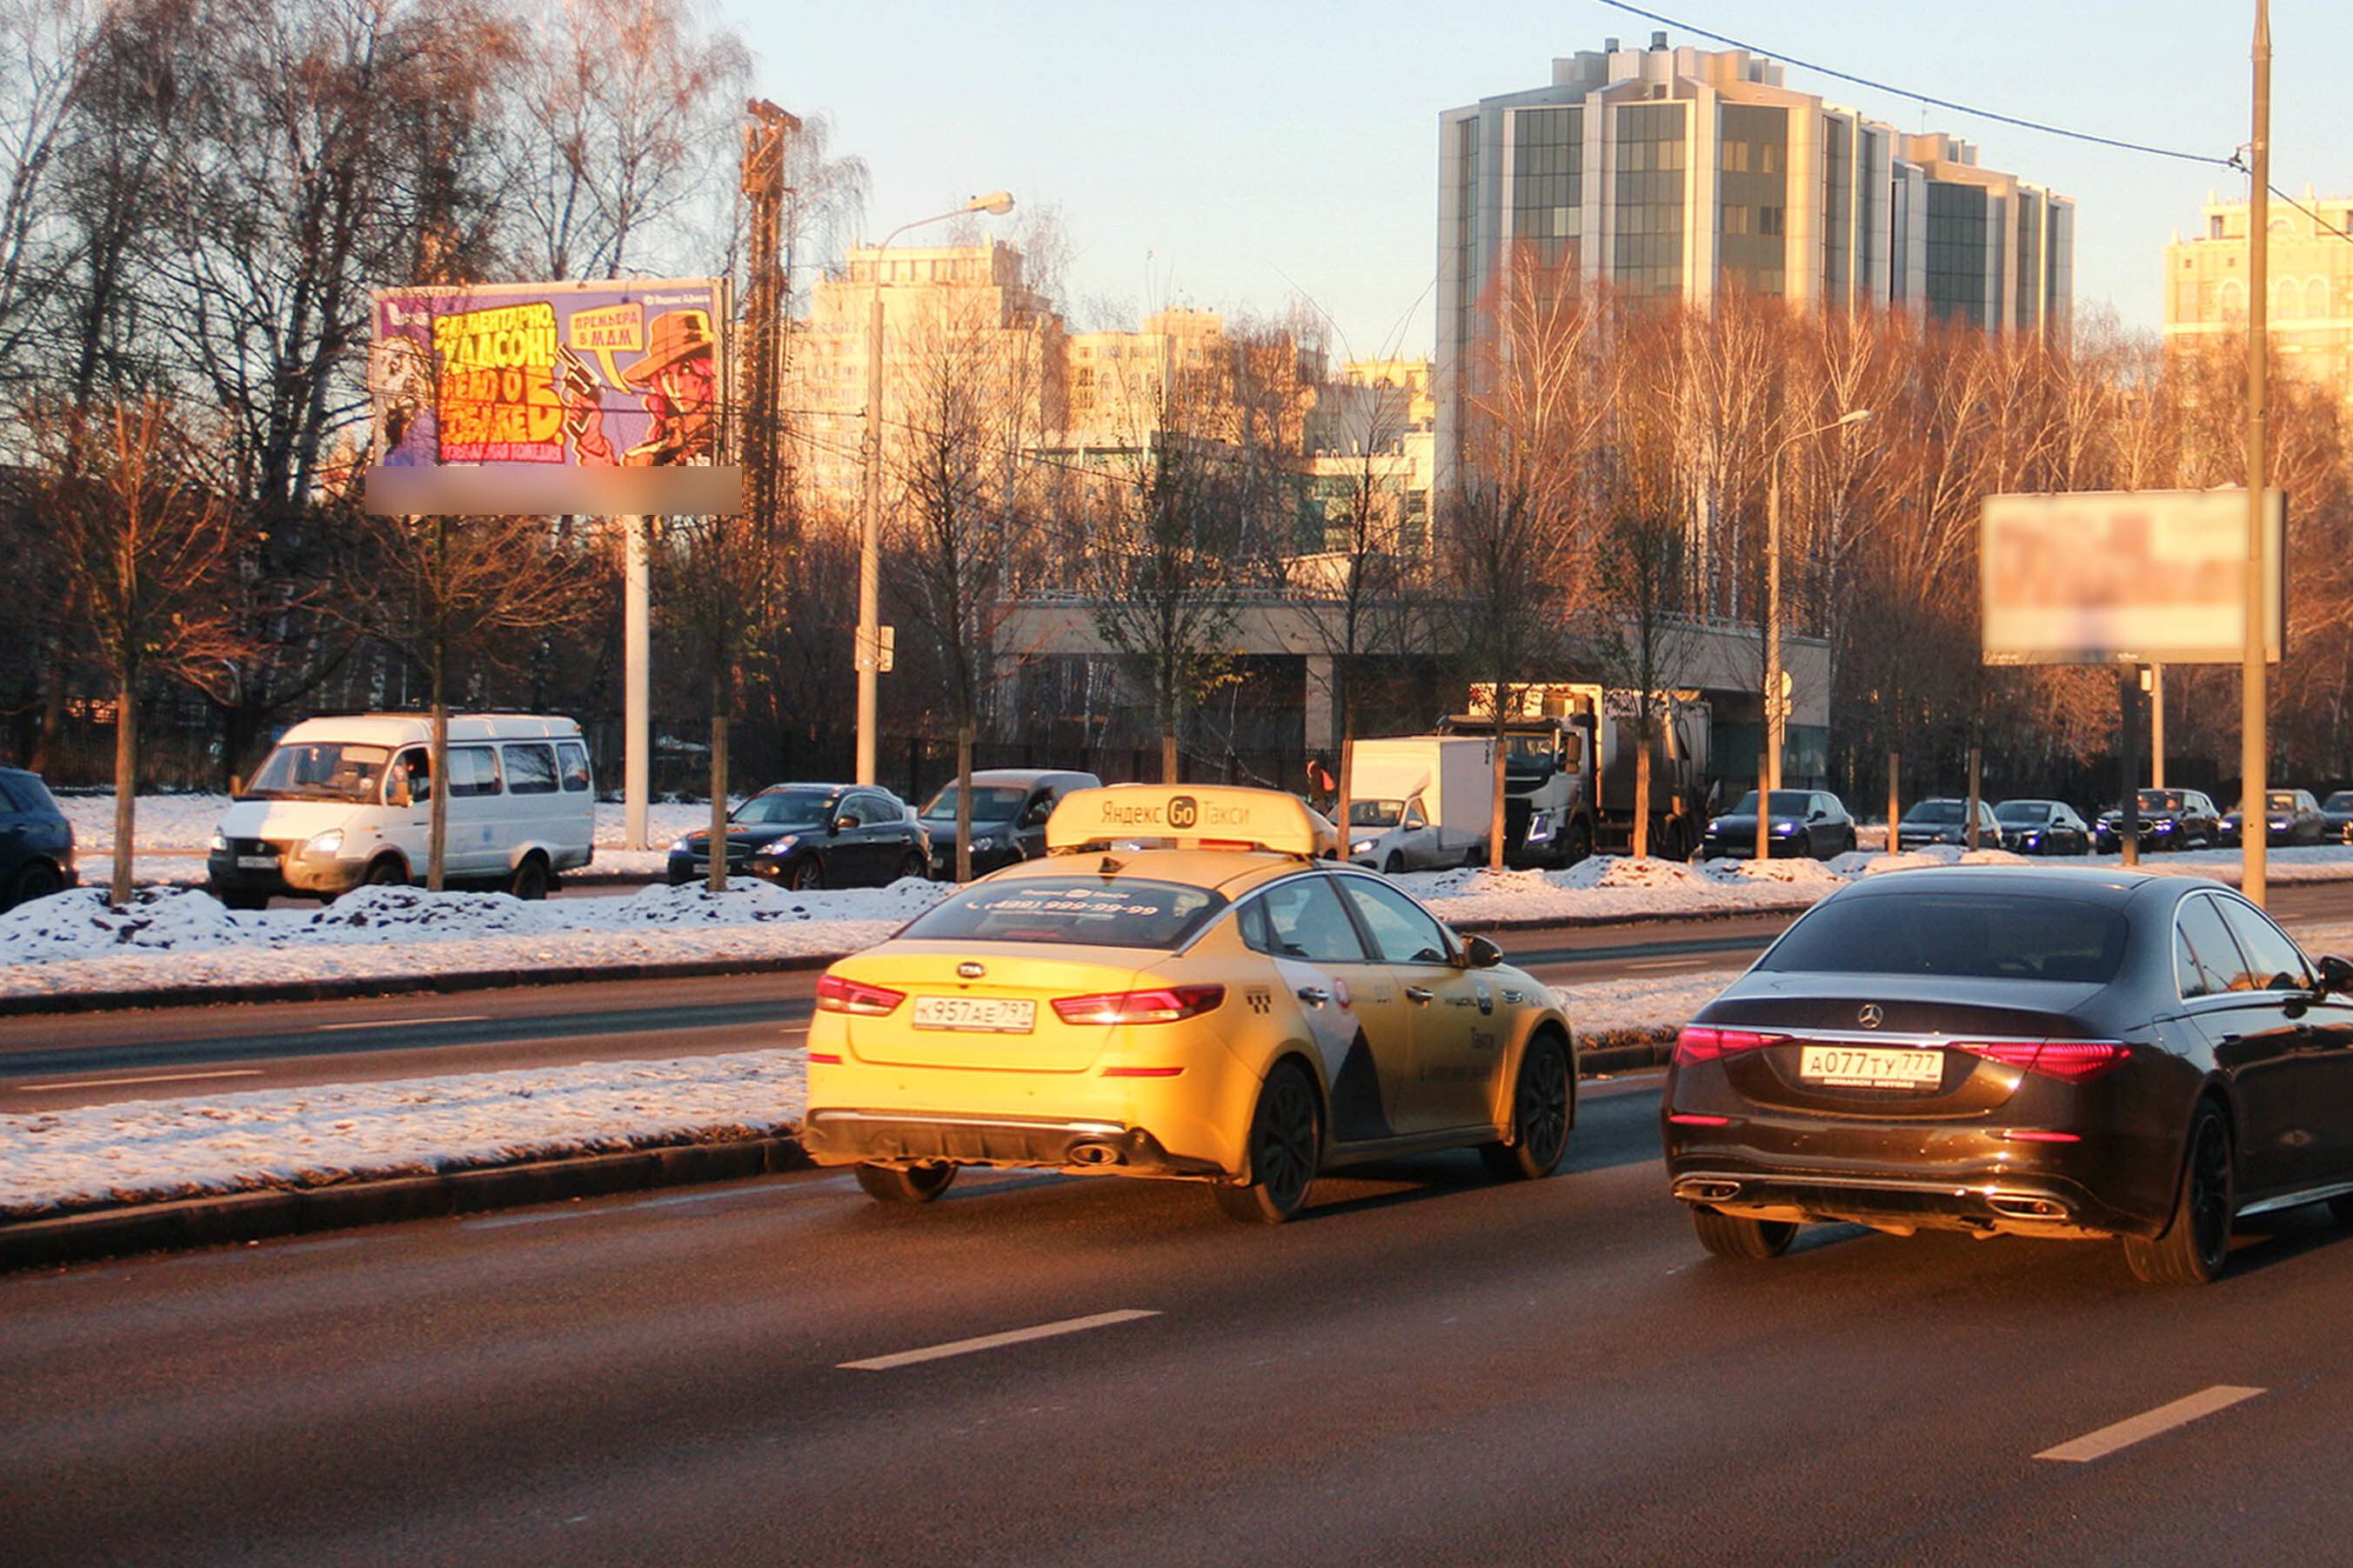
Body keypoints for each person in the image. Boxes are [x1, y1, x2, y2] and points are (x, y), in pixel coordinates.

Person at [558, 307, 718, 467]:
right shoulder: (670, 434)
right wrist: (590, 438)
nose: (676, 387)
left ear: (704, 371)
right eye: (666, 376)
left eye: (685, 371)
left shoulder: (716, 430)